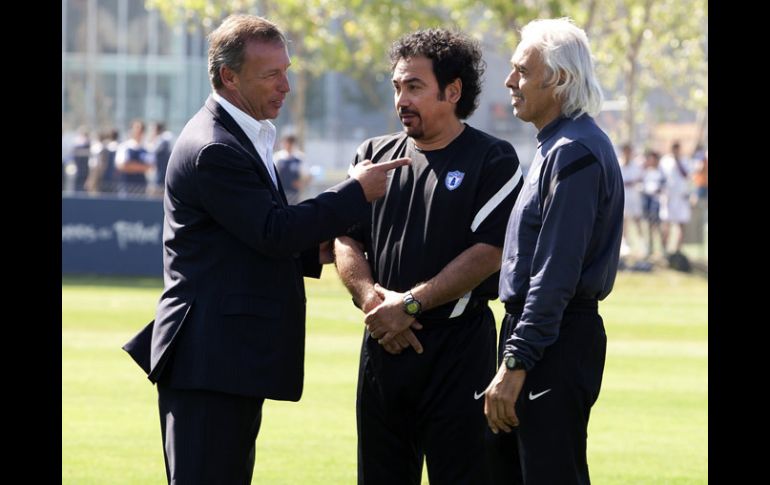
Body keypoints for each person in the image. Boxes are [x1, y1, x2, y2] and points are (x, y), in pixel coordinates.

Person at [121, 14, 408, 485]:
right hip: (209, 362)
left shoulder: (241, 133)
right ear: (228, 76)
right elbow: (272, 230)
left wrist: (312, 250)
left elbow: (247, 238)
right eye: (272, 74)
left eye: (287, 70)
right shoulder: (216, 146)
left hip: (223, 362)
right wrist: (356, 192)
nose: (287, 86)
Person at [334, 28, 523, 485]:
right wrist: (372, 303)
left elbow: (490, 252)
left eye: (414, 87)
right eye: (398, 86)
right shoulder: (372, 156)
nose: (402, 98)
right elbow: (344, 238)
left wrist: (410, 305)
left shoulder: (493, 159)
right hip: (383, 347)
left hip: (458, 354)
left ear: (452, 91)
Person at [482, 18, 624, 485]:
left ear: (559, 79)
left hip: (552, 340)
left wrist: (517, 360)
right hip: (543, 336)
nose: (509, 81)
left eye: (522, 71)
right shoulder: (558, 146)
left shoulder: (574, 151)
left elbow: (555, 271)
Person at [659, 140, 691, 254]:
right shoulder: (665, 161)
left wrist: (678, 162)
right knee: (666, 224)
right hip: (668, 197)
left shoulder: (685, 160)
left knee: (681, 225)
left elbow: (686, 175)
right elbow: (661, 178)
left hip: (681, 197)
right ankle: (665, 250)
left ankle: (678, 250)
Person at [274, 133, 309, 204]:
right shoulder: (278, 157)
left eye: (291, 142)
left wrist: (302, 184)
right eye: (287, 142)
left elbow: (307, 175)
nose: (289, 145)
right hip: (280, 190)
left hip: (294, 192)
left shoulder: (300, 158)